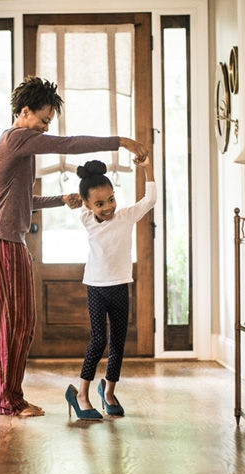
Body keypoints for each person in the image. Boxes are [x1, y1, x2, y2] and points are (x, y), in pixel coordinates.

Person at [0, 76, 149, 417]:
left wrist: (60, 199)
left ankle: (14, 396)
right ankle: (5, 401)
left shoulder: (21, 147)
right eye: (42, 121)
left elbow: (24, 200)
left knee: (24, 321)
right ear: (24, 112)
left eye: (47, 124)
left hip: (10, 239)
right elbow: (68, 145)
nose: (44, 129)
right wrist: (120, 141)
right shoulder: (16, 139)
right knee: (10, 322)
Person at [65, 158, 156, 420]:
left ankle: (108, 391)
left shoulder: (126, 216)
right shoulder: (86, 218)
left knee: (118, 342)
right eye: (100, 203)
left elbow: (149, 200)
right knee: (98, 340)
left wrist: (147, 168)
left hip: (119, 287)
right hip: (95, 287)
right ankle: (80, 395)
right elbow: (72, 203)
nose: (108, 207)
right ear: (88, 205)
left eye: (111, 199)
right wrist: (69, 200)